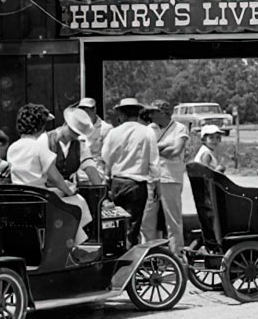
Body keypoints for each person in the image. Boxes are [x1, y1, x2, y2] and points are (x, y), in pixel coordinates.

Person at [7, 103, 96, 259]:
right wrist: (69, 190)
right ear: (41, 127)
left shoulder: (13, 147)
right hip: (40, 200)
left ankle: (75, 245)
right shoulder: (38, 147)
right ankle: (77, 247)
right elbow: (54, 176)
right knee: (74, 205)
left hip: (21, 198)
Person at [101, 98, 159, 244]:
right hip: (136, 184)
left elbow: (105, 157)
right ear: (138, 113)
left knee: (115, 223)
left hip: (117, 182)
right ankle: (131, 255)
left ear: (121, 114)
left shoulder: (114, 133)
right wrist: (157, 184)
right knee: (133, 225)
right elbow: (154, 161)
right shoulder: (147, 132)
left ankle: (117, 253)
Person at [140, 101, 188, 254]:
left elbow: (176, 151)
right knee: (147, 219)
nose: (150, 115)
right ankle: (147, 254)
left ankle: (177, 253)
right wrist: (165, 146)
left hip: (171, 178)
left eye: (153, 112)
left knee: (172, 220)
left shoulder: (180, 128)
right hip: (151, 178)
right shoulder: (149, 129)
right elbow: (144, 149)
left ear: (162, 113)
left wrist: (155, 148)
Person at [46, 106, 105, 186]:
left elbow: (89, 167)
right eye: (73, 131)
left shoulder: (79, 145)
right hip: (46, 190)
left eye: (78, 134)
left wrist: (99, 188)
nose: (74, 136)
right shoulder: (46, 139)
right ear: (65, 124)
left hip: (69, 190)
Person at [78, 97, 113, 177]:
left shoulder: (105, 128)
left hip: (98, 172)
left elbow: (108, 156)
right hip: (79, 173)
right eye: (82, 110)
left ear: (94, 110)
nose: (85, 113)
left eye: (88, 110)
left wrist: (106, 176)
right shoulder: (76, 128)